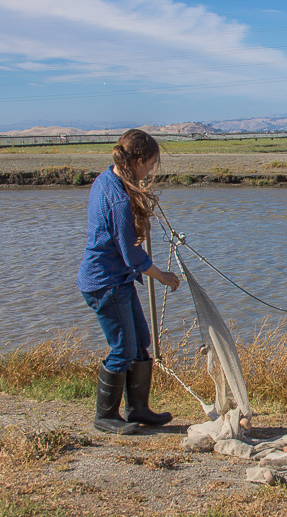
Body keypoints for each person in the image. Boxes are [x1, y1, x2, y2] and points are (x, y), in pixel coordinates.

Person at [78, 129, 181, 435]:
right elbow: (130, 253)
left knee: (140, 342)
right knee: (123, 348)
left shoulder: (108, 178)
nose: (151, 170)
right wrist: (161, 275)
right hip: (104, 282)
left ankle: (138, 409)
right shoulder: (117, 197)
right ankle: (105, 416)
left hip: (117, 280)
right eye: (150, 164)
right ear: (137, 161)